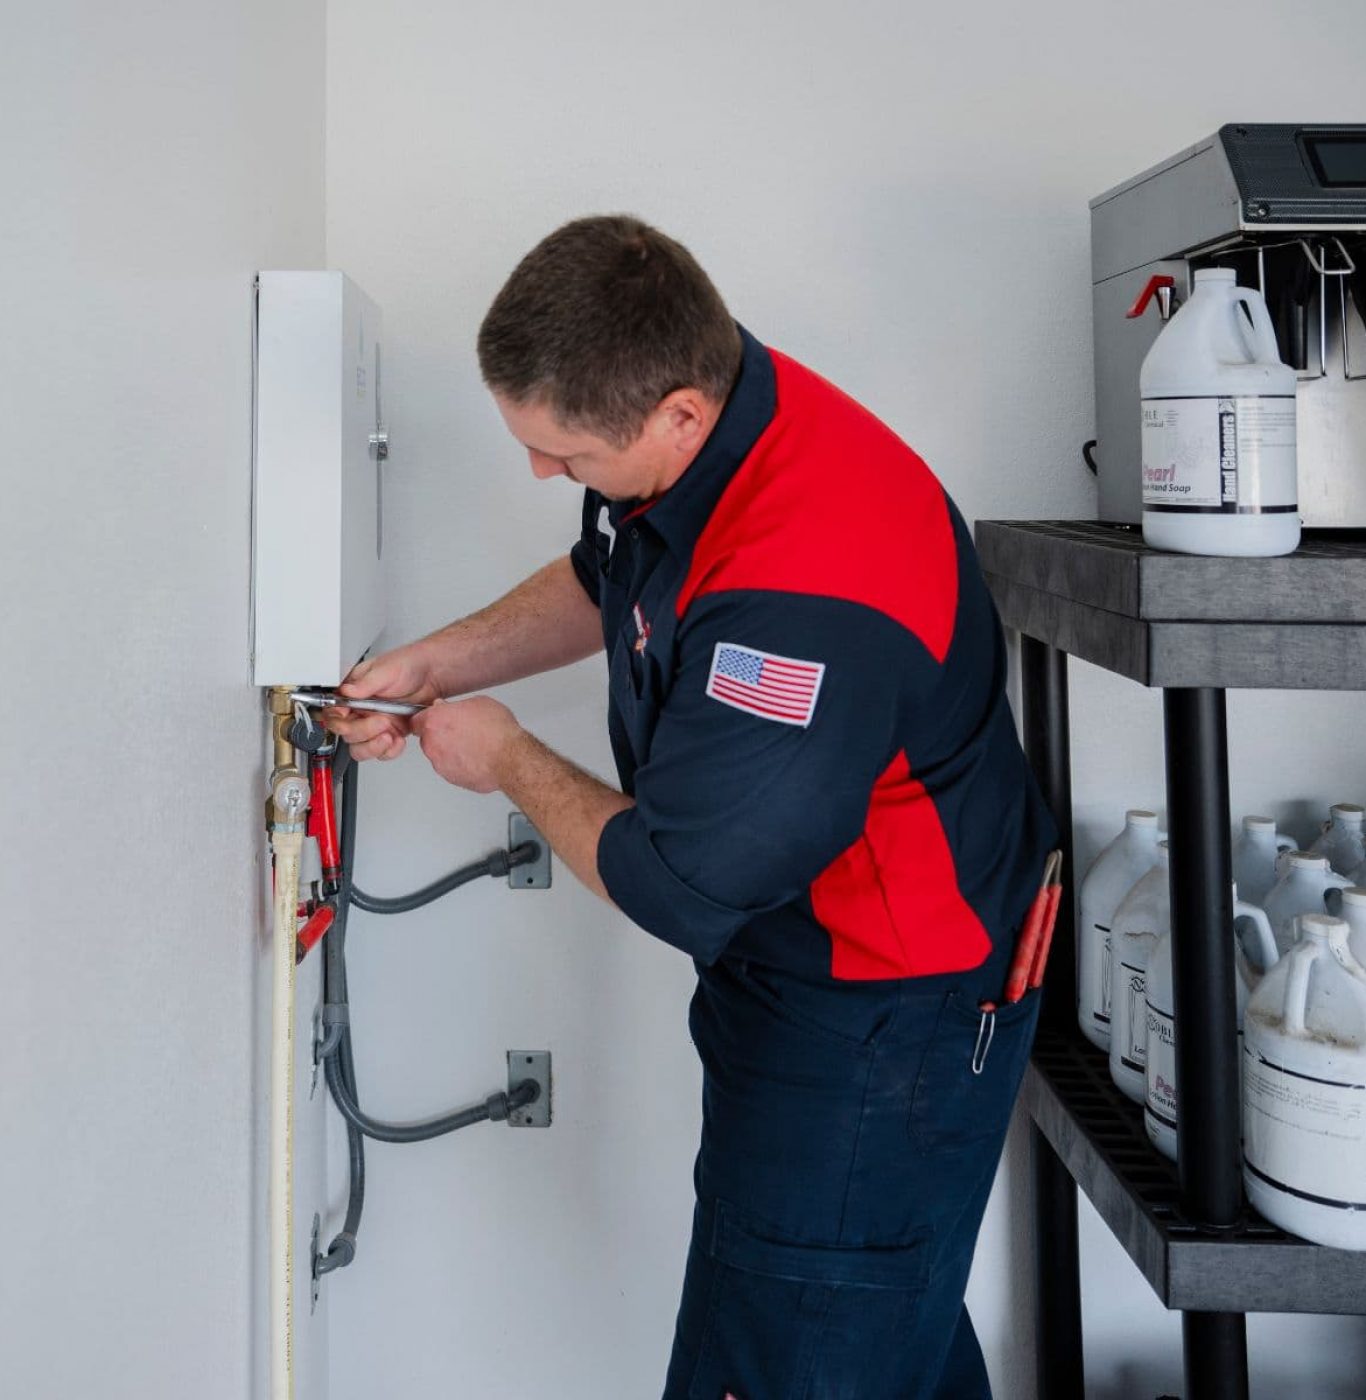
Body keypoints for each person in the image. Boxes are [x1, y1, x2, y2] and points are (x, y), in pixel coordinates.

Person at [324, 215, 1056, 1400]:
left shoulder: (808, 583)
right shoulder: (722, 408)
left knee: (790, 1352)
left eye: (563, 457)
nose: (540, 475)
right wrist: (443, 661)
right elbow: (610, 571)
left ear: (674, 412)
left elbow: (682, 879)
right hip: (839, 991)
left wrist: (506, 756)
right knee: (872, 1335)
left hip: (882, 1025)